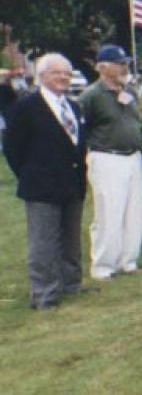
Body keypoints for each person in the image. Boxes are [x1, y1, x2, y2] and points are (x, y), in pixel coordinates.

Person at [4, 53, 90, 309]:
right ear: (42, 76)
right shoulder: (25, 108)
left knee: (71, 238)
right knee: (43, 242)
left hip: (72, 183)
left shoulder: (73, 107)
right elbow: (13, 149)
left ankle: (71, 284)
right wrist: (31, 174)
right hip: (41, 185)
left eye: (66, 72)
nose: (63, 77)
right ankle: (44, 294)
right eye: (57, 72)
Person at [78, 45, 142, 280]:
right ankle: (103, 265)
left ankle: (128, 260)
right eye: (119, 63)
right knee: (109, 211)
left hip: (132, 157)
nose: (124, 67)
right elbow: (80, 129)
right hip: (107, 156)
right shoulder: (91, 95)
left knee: (134, 211)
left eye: (126, 63)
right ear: (103, 67)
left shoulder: (129, 92)